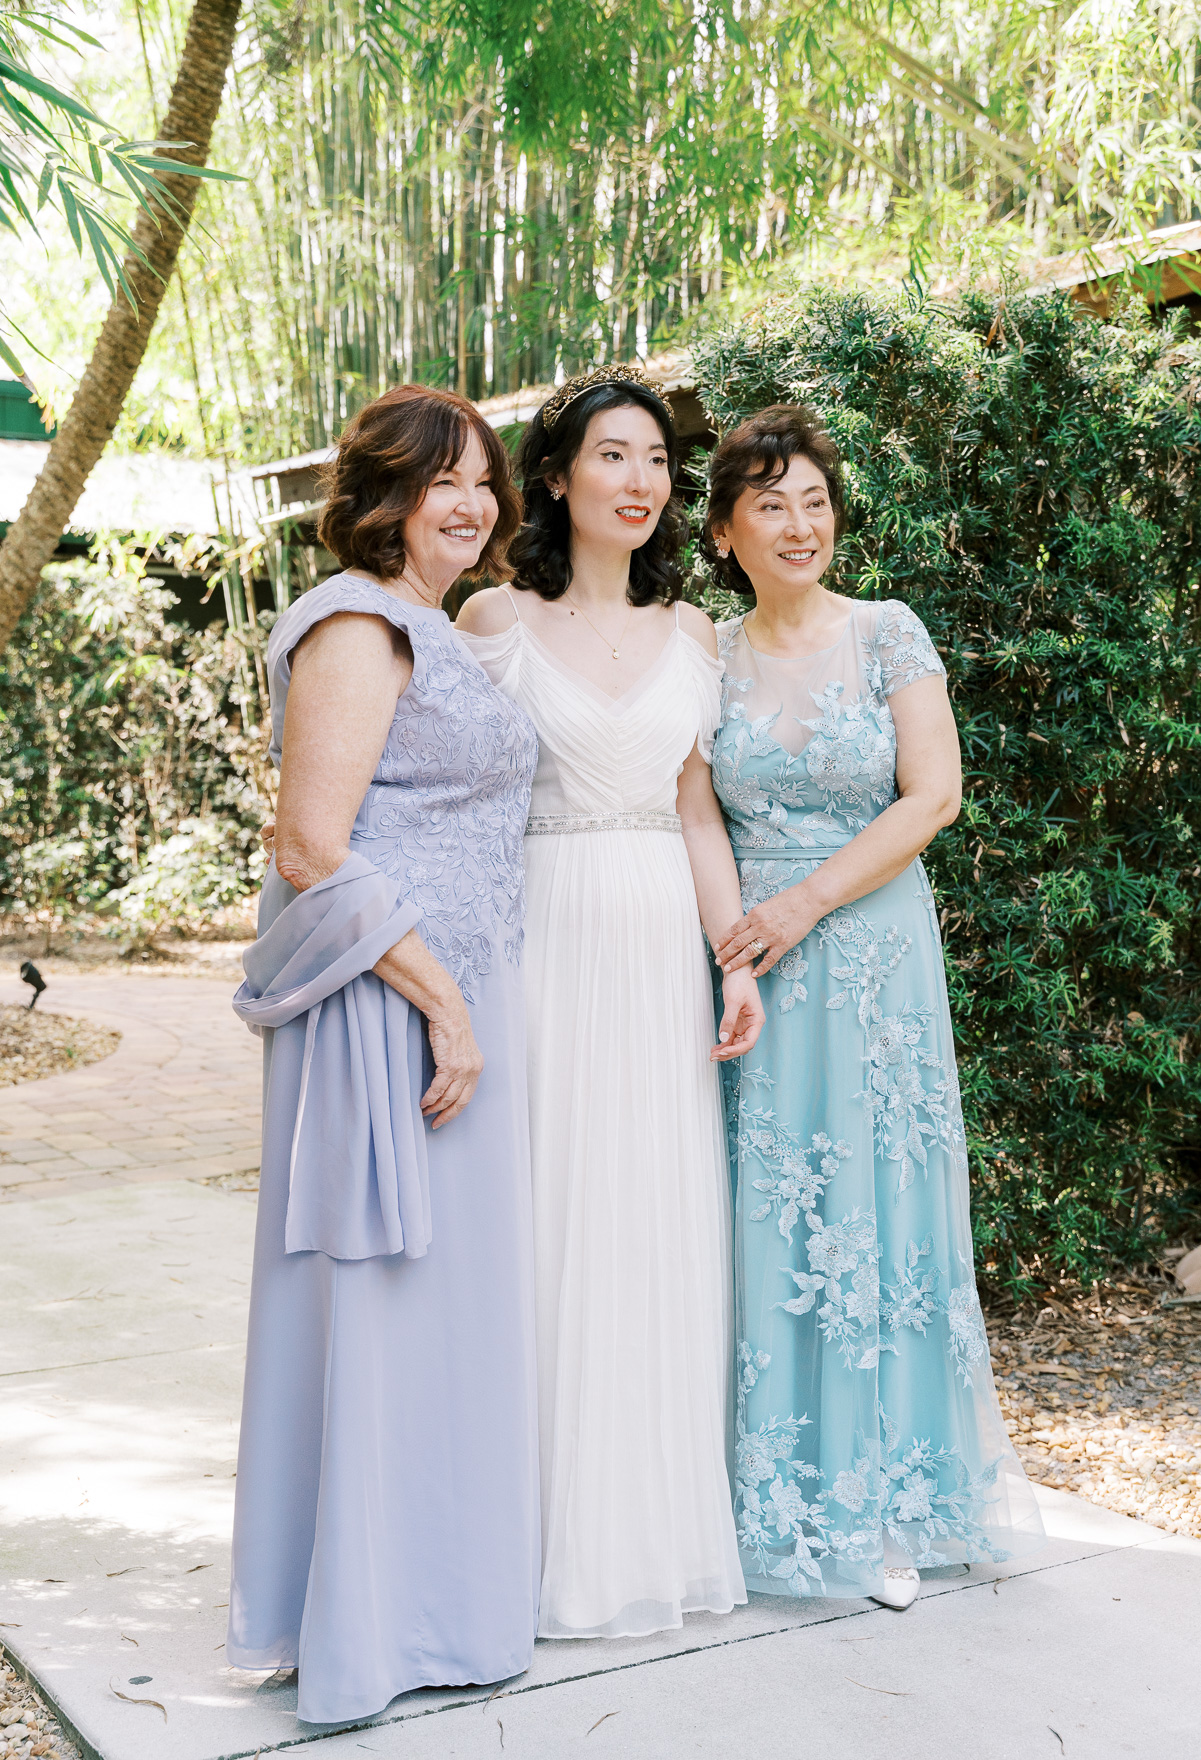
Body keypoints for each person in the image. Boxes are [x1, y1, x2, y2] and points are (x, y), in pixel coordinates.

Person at [227, 385, 541, 1723]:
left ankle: (434, 1606)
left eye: (480, 480)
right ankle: (370, 1626)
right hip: (384, 1006)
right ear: (382, 497)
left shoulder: (436, 621)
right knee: (382, 1303)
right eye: (438, 480)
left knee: (441, 1315)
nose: (466, 503)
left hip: (445, 996)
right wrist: (444, 1003)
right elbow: (310, 846)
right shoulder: (356, 624)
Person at [705, 404, 1044, 1611]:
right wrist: (737, 942)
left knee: (879, 1206)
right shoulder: (704, 651)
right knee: (764, 1208)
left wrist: (803, 903)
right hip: (750, 959)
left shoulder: (887, 630)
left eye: (815, 501)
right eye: (771, 506)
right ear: (725, 531)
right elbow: (692, 809)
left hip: (870, 953)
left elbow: (932, 796)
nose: (800, 525)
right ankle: (760, 1495)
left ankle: (890, 1499)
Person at [457, 363, 763, 1640]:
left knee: (651, 1216)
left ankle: (644, 1534)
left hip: (655, 942)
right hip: (542, 937)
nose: (639, 482)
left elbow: (695, 810)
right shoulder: (493, 619)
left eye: (655, 462)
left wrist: (732, 957)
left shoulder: (693, 634)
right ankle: (525, 1540)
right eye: (612, 457)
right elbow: (461, 800)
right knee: (549, 1210)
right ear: (556, 476)